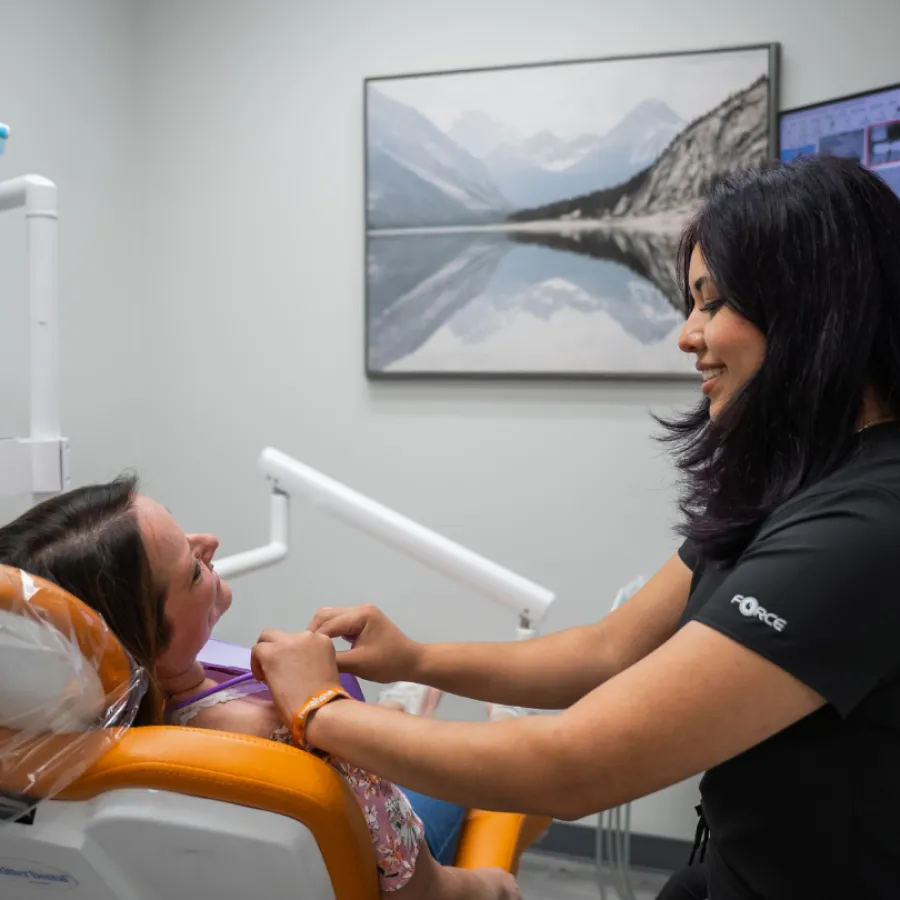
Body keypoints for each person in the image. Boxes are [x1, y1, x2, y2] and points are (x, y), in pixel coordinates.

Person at [247, 155, 900, 900]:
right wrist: (416, 659)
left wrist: (319, 711)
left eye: (713, 303)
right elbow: (607, 651)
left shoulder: (865, 529)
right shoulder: (802, 483)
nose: (688, 337)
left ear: (813, 307)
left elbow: (575, 765)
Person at [0, 480, 521, 900]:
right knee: (458, 792)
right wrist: (488, 885)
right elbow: (413, 881)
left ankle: (401, 714)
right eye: (192, 567)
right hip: (391, 859)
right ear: (152, 643)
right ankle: (418, 720)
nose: (210, 544)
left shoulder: (38, 735)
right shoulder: (277, 736)